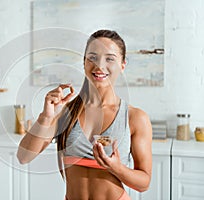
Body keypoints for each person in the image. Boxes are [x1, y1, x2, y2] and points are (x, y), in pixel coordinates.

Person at [17, 29, 152, 200]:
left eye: (109, 58)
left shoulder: (135, 117)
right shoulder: (66, 112)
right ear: (84, 62)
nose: (99, 65)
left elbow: (144, 183)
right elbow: (23, 156)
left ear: (122, 65)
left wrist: (116, 168)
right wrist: (46, 116)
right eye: (93, 57)